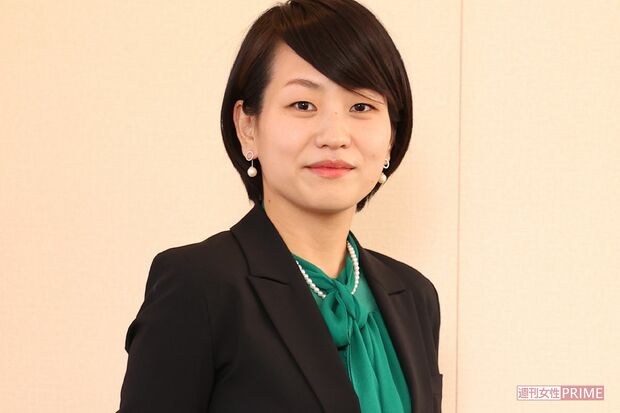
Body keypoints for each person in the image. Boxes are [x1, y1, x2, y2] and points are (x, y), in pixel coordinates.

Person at [117, 0, 442, 412]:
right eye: (303, 105)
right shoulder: (199, 287)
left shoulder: (414, 295)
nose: (334, 135)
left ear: (391, 136)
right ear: (247, 127)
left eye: (361, 106)